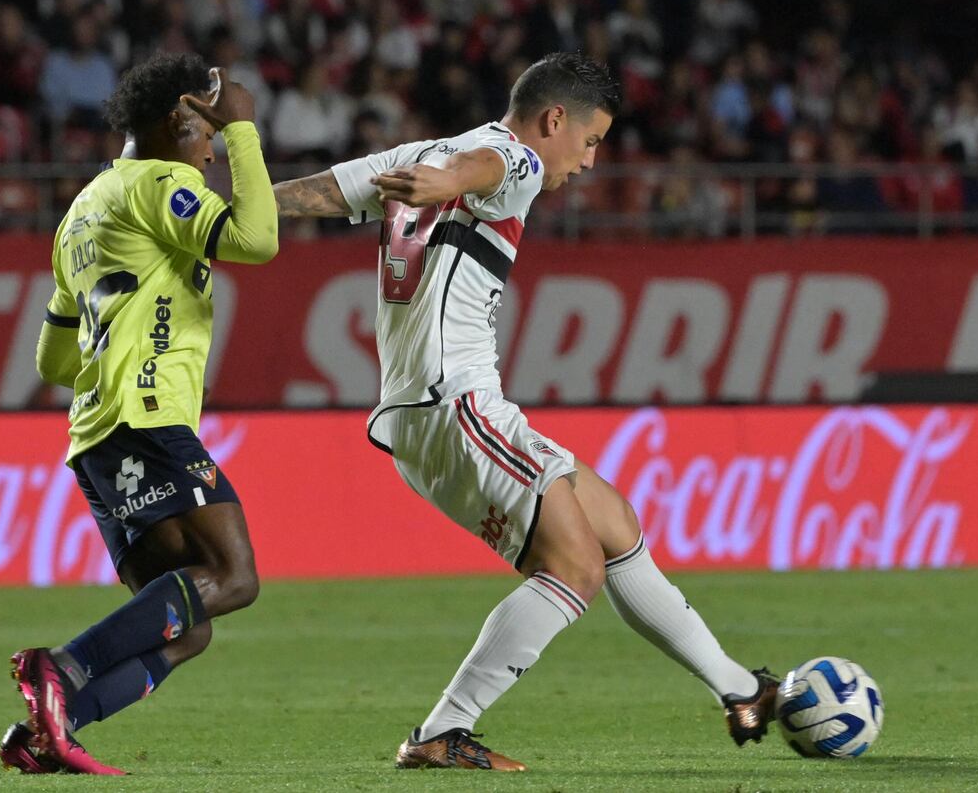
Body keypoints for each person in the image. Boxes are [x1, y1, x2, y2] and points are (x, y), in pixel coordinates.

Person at [271, 52, 777, 771]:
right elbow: (490, 167)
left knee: (613, 525)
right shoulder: (515, 159)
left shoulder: (421, 152)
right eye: (592, 140)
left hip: (446, 406)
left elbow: (324, 191)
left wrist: (237, 206)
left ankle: (738, 688)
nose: (591, 162)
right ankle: (442, 731)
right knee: (575, 568)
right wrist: (452, 180)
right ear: (554, 119)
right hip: (455, 404)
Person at [1, 54, 277, 775]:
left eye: (220, 134)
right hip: (144, 420)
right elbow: (257, 240)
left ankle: (50, 729)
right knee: (233, 574)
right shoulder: (161, 181)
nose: (211, 146)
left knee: (190, 622)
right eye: (206, 131)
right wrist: (247, 129)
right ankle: (60, 668)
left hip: (96, 434)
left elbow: (54, 363)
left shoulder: (79, 212)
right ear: (176, 120)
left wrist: (132, 343)